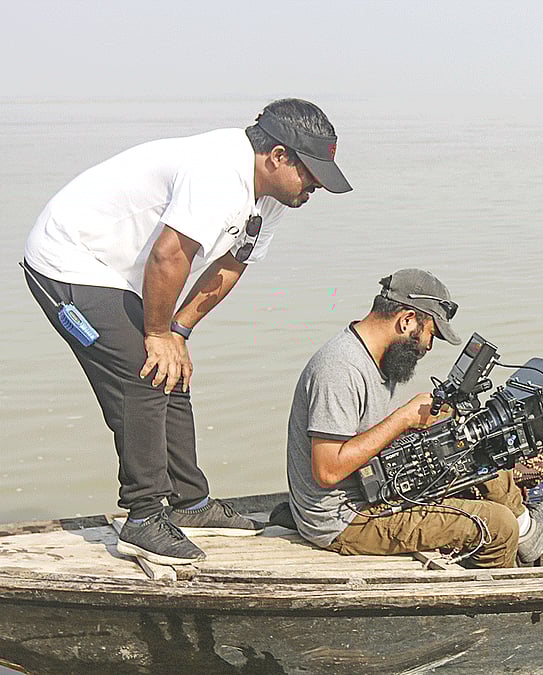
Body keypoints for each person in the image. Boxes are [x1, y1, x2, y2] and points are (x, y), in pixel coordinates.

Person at [22, 98, 352, 566]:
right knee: (145, 372)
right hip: (67, 259)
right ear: (278, 156)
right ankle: (142, 516)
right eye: (311, 172)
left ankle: (189, 503)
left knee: (171, 368)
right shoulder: (218, 170)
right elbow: (169, 254)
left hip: (123, 274)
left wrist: (178, 330)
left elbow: (231, 264)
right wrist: (156, 336)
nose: (316, 185)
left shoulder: (271, 197)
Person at [286, 269, 543, 569]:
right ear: (407, 320)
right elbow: (327, 471)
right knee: (497, 525)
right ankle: (503, 602)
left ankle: (526, 531)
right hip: (346, 518)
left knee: (469, 444)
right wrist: (404, 418)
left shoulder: (379, 358)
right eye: (430, 334)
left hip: (376, 487)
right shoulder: (339, 369)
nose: (428, 347)